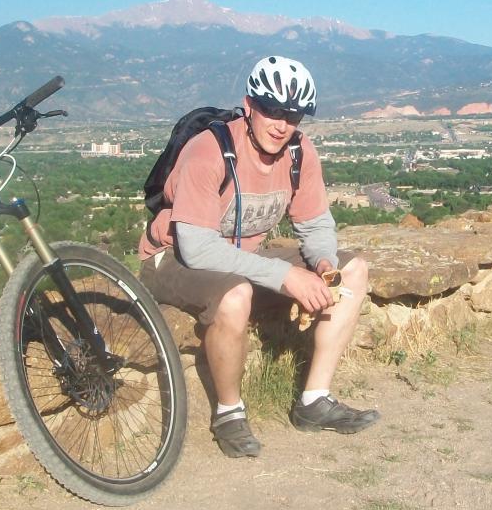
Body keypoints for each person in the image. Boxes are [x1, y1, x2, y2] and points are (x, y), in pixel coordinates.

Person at [138, 55, 378, 458]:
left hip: (237, 259)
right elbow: (196, 249)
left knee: (352, 270)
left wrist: (322, 264)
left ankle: (315, 401)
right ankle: (229, 413)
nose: (281, 124)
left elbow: (316, 225)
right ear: (249, 106)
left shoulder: (299, 152)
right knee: (234, 296)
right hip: (173, 259)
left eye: (293, 115)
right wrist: (286, 276)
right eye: (271, 110)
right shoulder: (209, 150)